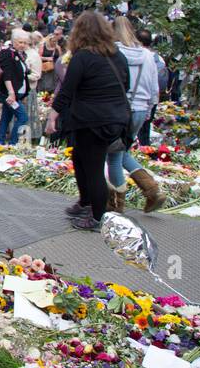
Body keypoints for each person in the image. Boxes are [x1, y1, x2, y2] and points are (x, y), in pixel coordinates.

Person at [46, 11, 132, 230]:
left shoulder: (83, 57)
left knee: (93, 166)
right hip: (115, 118)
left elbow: (67, 90)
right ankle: (86, 202)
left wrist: (52, 116)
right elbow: (127, 84)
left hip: (91, 120)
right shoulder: (117, 55)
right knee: (80, 158)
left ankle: (97, 216)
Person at [104, 16, 165, 212]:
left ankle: (116, 206)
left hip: (118, 108)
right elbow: (154, 88)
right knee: (122, 151)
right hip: (139, 109)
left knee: (113, 155)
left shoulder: (113, 52)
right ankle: (152, 189)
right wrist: (148, 110)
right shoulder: (147, 55)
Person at [0, 29, 31, 145]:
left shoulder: (18, 54)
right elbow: (7, 74)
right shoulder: (8, 53)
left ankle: (0, 141)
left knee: (6, 117)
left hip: (17, 93)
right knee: (23, 117)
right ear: (14, 41)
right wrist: (11, 92)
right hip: (10, 94)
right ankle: (13, 142)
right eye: (20, 42)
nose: (23, 45)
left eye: (25, 43)